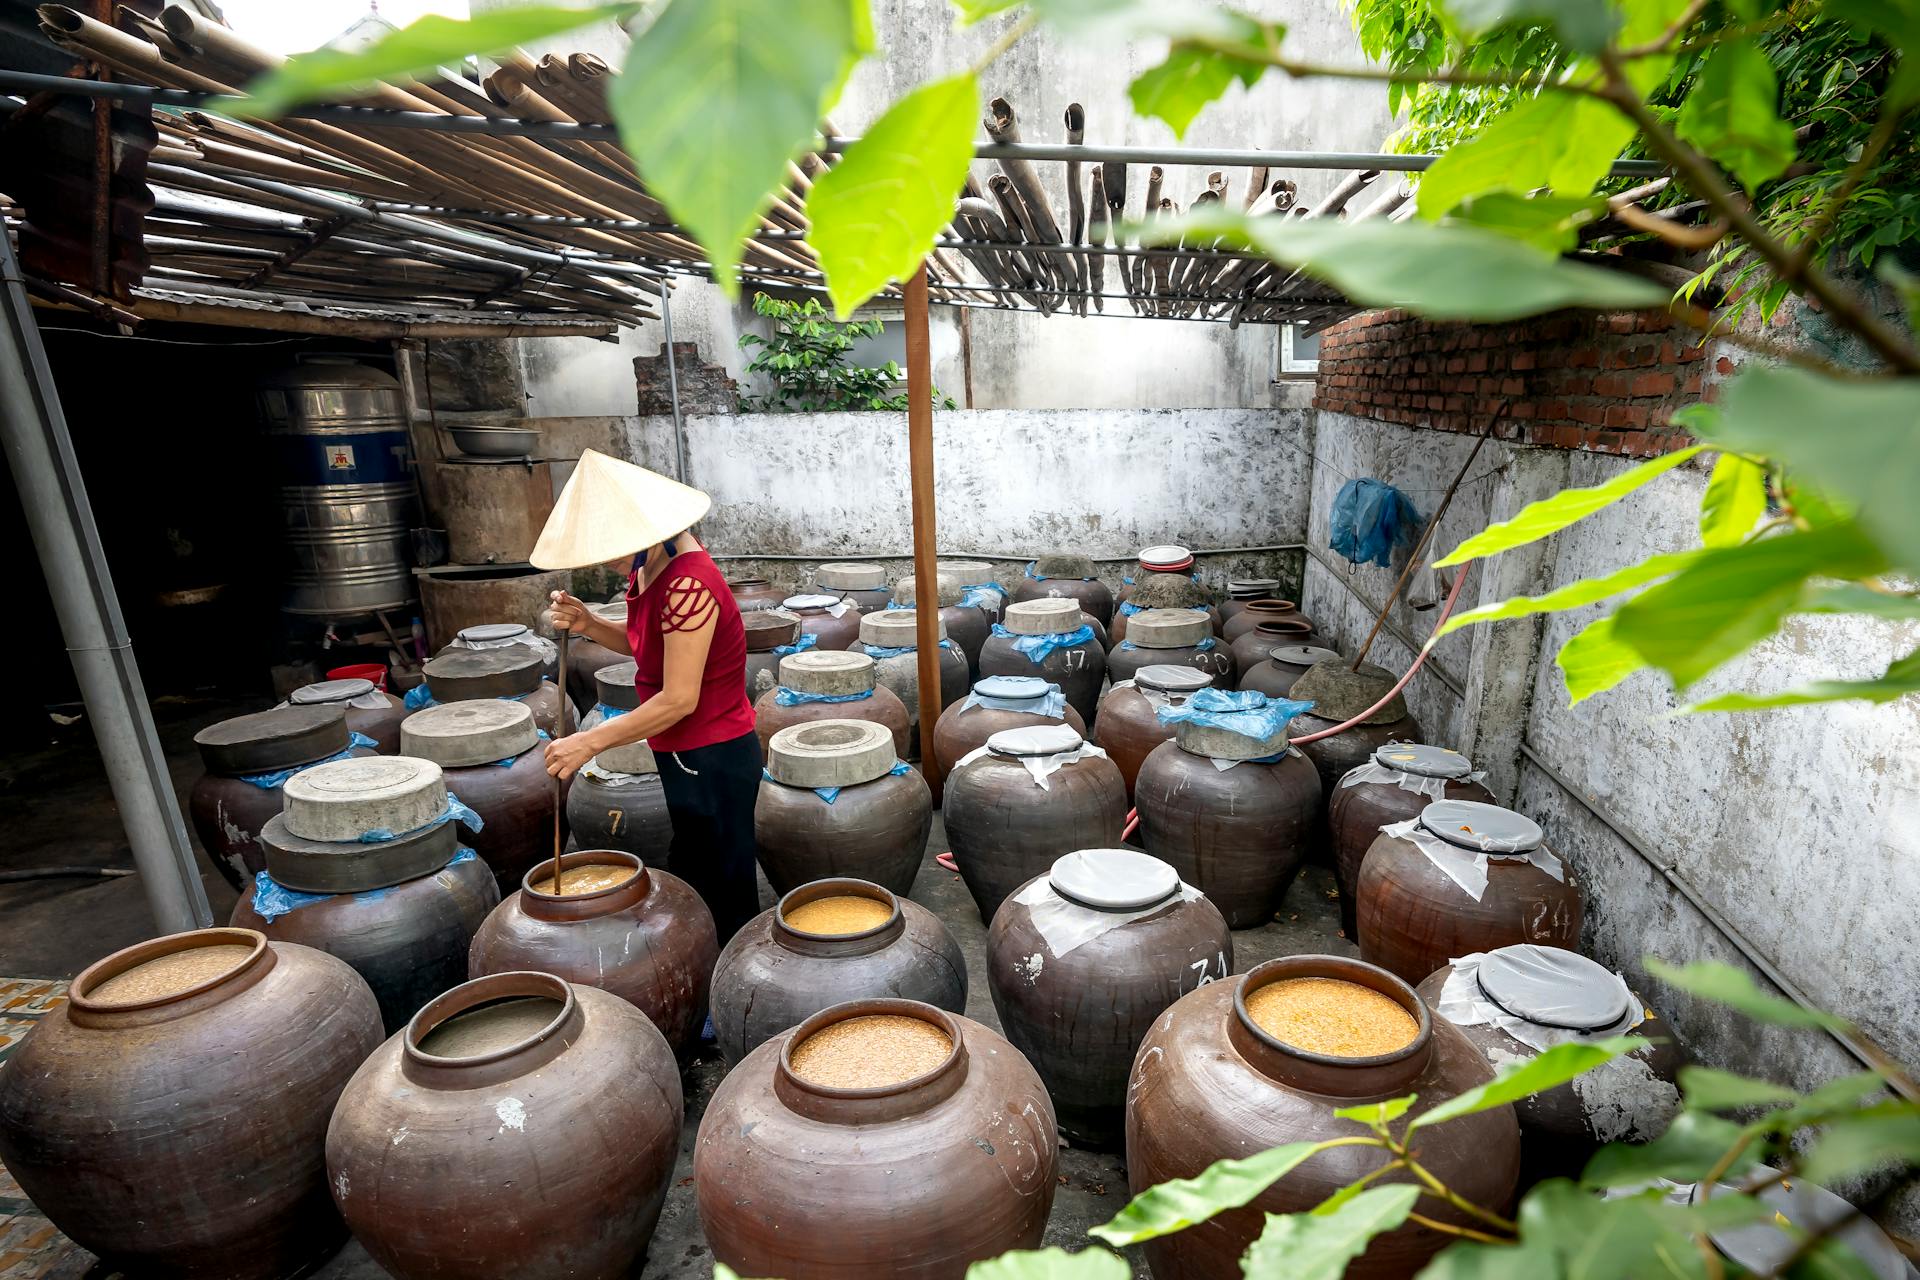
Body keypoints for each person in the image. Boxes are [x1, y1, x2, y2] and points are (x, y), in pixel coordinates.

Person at [530, 450, 761, 942]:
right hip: (678, 750)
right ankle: (707, 962)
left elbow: (679, 698)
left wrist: (590, 742)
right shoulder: (649, 566)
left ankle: (736, 977)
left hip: (713, 753)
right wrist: (590, 623)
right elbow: (648, 647)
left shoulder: (689, 585)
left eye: (613, 550)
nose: (609, 563)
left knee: (724, 880)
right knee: (695, 865)